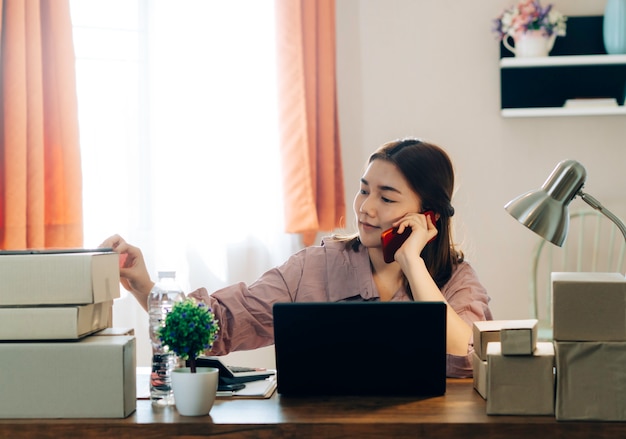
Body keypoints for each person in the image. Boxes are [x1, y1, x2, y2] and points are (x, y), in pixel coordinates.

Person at [101, 138, 492, 378]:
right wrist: (145, 285)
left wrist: (413, 264)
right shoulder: (315, 266)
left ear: (428, 216)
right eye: (363, 190)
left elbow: (471, 357)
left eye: (387, 198)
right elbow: (219, 326)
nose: (366, 208)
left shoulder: (457, 280)